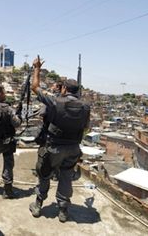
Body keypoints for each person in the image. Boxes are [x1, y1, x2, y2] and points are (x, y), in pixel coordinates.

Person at [28, 56, 90, 222]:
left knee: (44, 175)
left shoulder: (55, 102)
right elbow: (85, 127)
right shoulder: (85, 107)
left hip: (53, 148)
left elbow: (34, 87)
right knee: (66, 177)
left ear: (64, 90)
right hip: (73, 149)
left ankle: (38, 205)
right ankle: (63, 210)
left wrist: (37, 68)